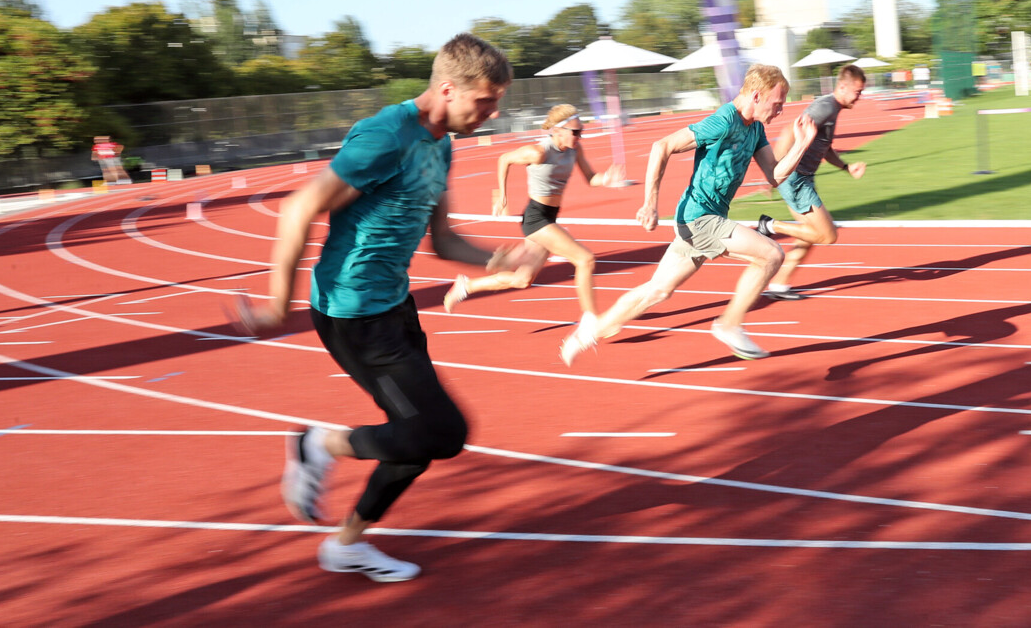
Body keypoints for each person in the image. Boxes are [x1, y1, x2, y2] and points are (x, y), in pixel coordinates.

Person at [233, 33, 527, 583]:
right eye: (485, 101)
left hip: (395, 306)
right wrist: (278, 308)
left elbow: (443, 241)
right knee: (441, 432)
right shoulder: (384, 137)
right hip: (354, 315)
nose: (492, 113)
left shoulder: (441, 144)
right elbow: (299, 210)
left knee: (415, 439)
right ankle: (316, 443)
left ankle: (345, 545)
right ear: (448, 88)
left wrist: (501, 259)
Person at [560, 64, 816, 365]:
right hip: (698, 218)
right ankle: (729, 324)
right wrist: (650, 203)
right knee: (771, 254)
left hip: (702, 220)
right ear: (757, 96)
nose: (781, 110)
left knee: (656, 292)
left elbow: (774, 175)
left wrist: (801, 145)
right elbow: (662, 146)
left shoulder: (756, 129)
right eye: (777, 103)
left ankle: (585, 334)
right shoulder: (723, 121)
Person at [442, 104, 624, 326]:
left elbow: (590, 177)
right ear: (558, 131)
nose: (580, 136)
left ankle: (467, 286)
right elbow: (504, 159)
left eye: (581, 131)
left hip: (550, 217)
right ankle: (591, 321)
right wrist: (502, 195)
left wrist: (606, 179)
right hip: (536, 218)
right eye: (575, 132)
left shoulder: (575, 150)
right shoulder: (538, 152)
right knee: (584, 259)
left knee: (522, 280)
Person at [756, 65, 867, 300]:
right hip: (796, 179)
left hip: (802, 179)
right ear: (843, 86)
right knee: (828, 235)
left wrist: (846, 167)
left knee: (807, 236)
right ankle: (770, 225)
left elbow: (825, 149)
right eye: (857, 91)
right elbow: (790, 131)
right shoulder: (825, 106)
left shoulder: (833, 109)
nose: (859, 97)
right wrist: (773, 172)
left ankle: (779, 285)